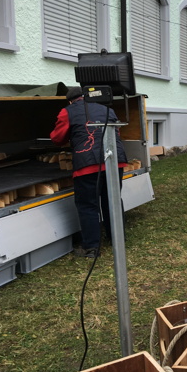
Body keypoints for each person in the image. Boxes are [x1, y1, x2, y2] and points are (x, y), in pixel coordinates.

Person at [51, 87, 128, 258]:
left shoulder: (67, 111)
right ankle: (117, 238)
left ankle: (91, 248)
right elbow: (116, 132)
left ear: (70, 101)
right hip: (115, 160)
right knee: (112, 200)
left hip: (88, 164)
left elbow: (57, 138)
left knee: (88, 205)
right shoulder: (108, 109)